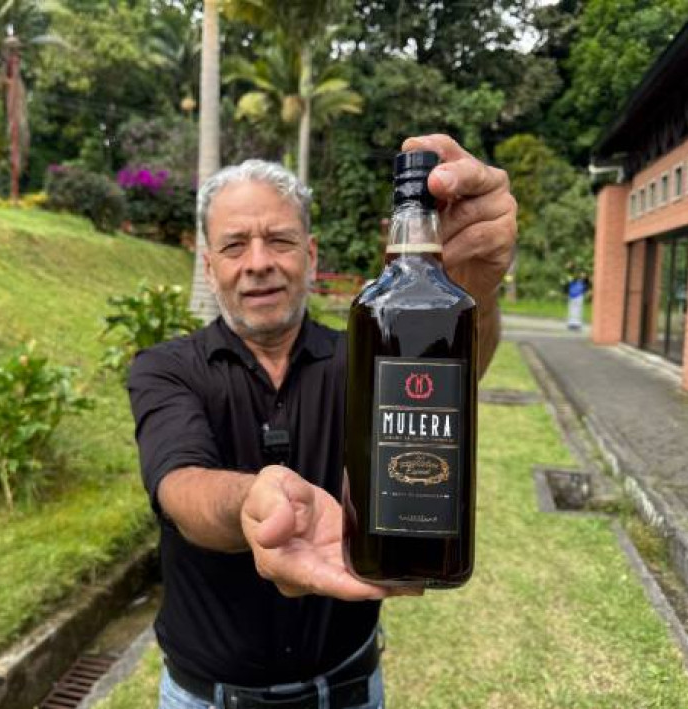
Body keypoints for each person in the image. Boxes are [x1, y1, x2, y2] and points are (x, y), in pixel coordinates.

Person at [128, 134, 517, 709]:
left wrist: (475, 290)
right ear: (209, 267)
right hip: (204, 698)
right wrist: (252, 502)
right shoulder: (167, 368)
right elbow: (179, 484)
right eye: (235, 245)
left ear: (310, 255)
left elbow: (454, 379)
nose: (259, 262)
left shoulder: (366, 351)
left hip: (349, 691)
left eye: (279, 240)